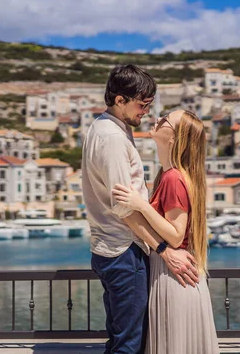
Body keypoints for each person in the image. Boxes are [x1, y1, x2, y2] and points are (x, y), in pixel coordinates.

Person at [82, 65, 199, 354]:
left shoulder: (105, 128)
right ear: (120, 100)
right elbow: (125, 208)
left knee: (121, 336)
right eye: (142, 104)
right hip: (124, 251)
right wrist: (163, 249)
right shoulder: (112, 138)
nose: (147, 111)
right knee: (129, 343)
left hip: (111, 249)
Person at [113, 109, 220, 354]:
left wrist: (139, 204)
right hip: (176, 274)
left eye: (165, 120)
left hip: (174, 276)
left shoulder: (173, 178)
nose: (158, 120)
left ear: (174, 137)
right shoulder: (170, 175)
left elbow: (175, 235)